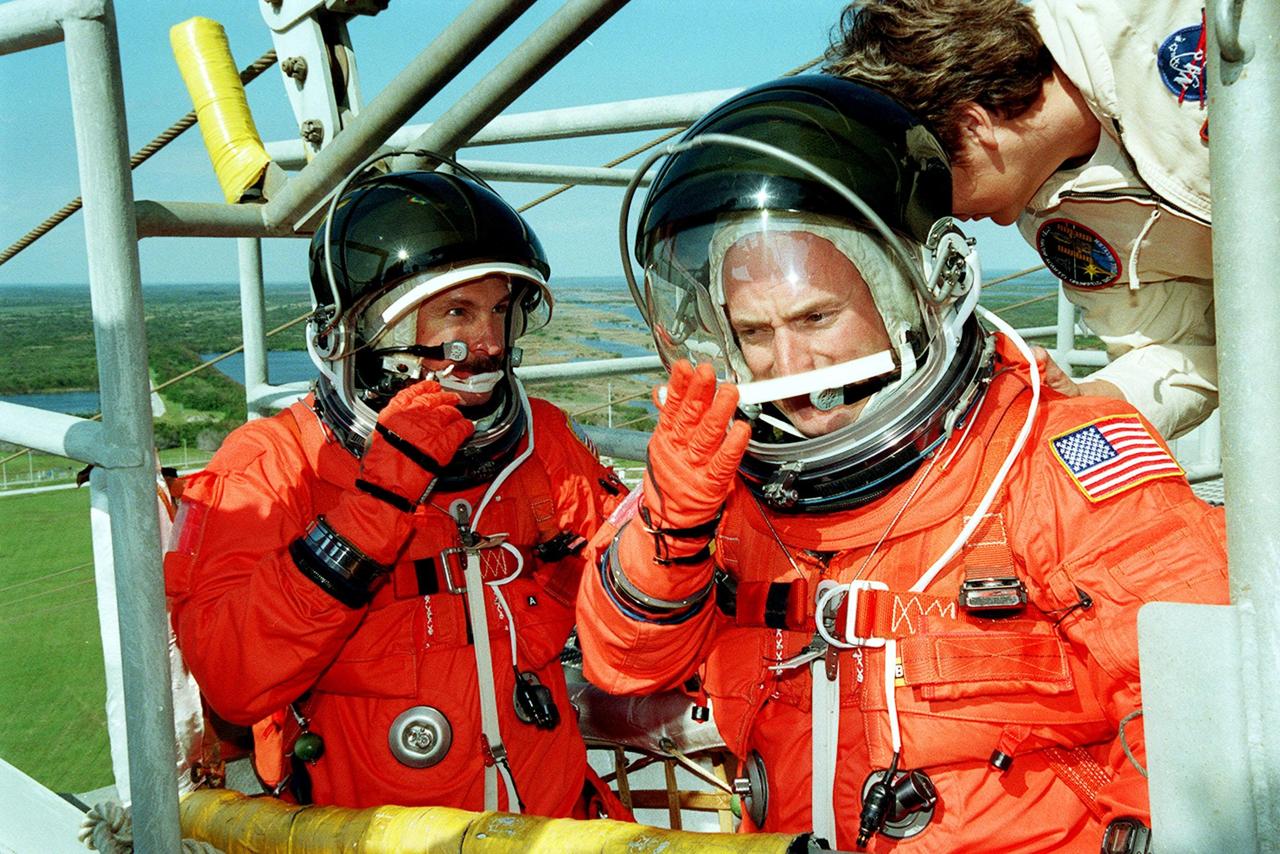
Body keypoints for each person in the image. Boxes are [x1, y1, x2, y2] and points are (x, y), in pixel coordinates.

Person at [577, 76, 1228, 852]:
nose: (791, 363)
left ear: (923, 287)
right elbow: (625, 668)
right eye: (755, 332)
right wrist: (671, 526)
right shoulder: (723, 489)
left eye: (818, 317)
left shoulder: (1050, 456)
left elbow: (1209, 716)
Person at [163, 164, 628, 816]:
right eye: (457, 313)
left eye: (500, 310)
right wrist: (374, 508)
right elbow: (234, 682)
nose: (489, 343)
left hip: (552, 819)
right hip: (367, 829)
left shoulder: (537, 439)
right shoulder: (273, 464)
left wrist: (672, 527)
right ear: (365, 332)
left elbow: (621, 599)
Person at [824, 0, 1215, 440]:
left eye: (929, 184)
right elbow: (1180, 350)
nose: (942, 215)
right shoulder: (1058, 225)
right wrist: (1088, 397)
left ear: (972, 127)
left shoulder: (1152, 15)